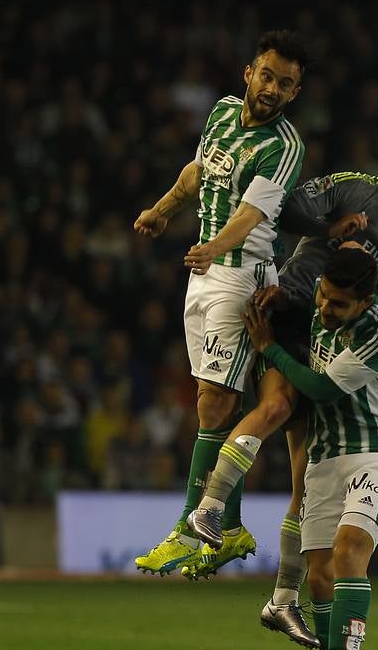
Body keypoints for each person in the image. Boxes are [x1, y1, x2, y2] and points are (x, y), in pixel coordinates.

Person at [184, 125, 378, 647]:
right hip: (291, 310)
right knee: (277, 405)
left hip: (335, 337)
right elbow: (283, 208)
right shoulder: (353, 188)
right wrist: (333, 229)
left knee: (304, 478)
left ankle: (283, 600)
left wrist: (363, 258)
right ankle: (209, 507)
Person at [133, 29, 310, 576]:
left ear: (294, 92)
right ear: (248, 73)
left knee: (215, 402)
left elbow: (253, 216)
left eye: (286, 83)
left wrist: (213, 245)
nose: (273, 88)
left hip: (242, 276)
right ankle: (228, 530)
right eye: (268, 76)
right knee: (209, 402)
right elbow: (198, 172)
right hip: (203, 275)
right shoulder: (221, 114)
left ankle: (192, 527)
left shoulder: (283, 148)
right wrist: (164, 209)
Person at [242, 247, 378, 650]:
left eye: (338, 304)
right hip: (325, 458)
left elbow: (320, 390)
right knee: (319, 577)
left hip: (377, 452)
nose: (325, 309)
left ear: (365, 302)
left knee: (348, 552)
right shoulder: (319, 309)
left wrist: (269, 348)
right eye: (323, 296)